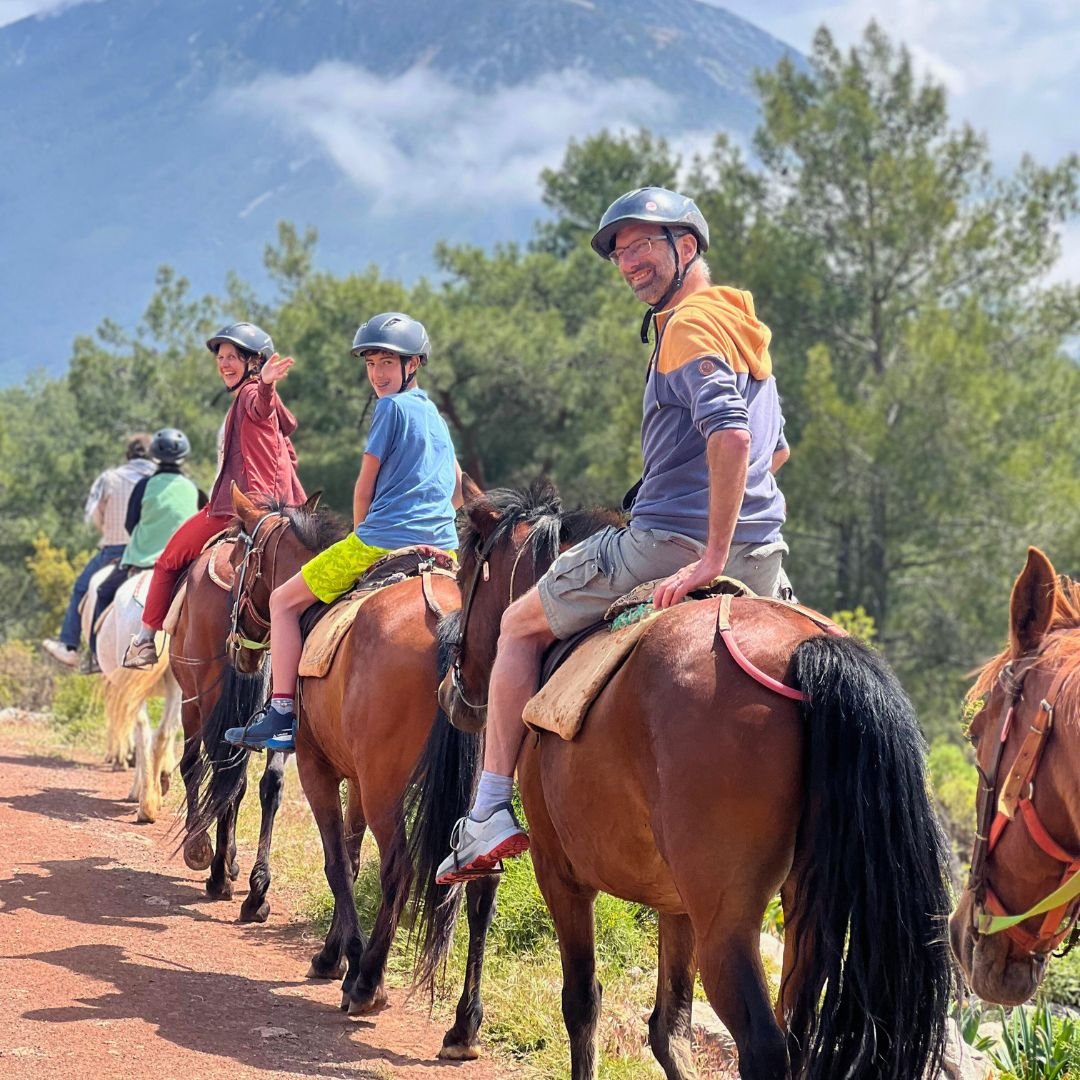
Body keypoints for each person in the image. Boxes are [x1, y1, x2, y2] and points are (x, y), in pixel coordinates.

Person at [436, 186, 794, 884]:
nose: (628, 262)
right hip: (768, 559)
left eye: (642, 244)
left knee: (515, 625)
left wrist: (708, 554)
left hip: (666, 544)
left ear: (685, 246)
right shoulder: (745, 331)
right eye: (620, 251)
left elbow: (729, 434)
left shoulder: (688, 324)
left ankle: (487, 813)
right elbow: (774, 455)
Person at [225, 312, 463, 753]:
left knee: (281, 601)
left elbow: (364, 485)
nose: (378, 375)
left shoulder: (389, 408)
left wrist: (360, 537)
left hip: (382, 539)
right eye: (371, 365)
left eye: (388, 364)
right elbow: (456, 490)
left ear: (413, 365)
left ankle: (280, 713)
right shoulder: (435, 416)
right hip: (444, 547)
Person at [123, 321, 305, 668]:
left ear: (255, 362)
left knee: (168, 561)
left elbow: (260, 403)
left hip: (237, 509)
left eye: (234, 356)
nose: (224, 363)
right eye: (221, 357)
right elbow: (288, 455)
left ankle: (145, 641)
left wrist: (265, 383)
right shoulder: (266, 411)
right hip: (288, 512)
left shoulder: (251, 394)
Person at [86, 428, 205, 667]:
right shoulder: (193, 489)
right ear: (185, 456)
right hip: (184, 564)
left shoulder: (143, 486)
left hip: (143, 560)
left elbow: (130, 524)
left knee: (102, 593)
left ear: (154, 456)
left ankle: (95, 659)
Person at [42, 433, 155, 667]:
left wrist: (105, 527)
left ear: (128, 454)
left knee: (81, 587)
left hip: (115, 551)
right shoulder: (160, 478)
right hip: (154, 552)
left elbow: (93, 514)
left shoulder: (109, 478)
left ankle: (70, 646)